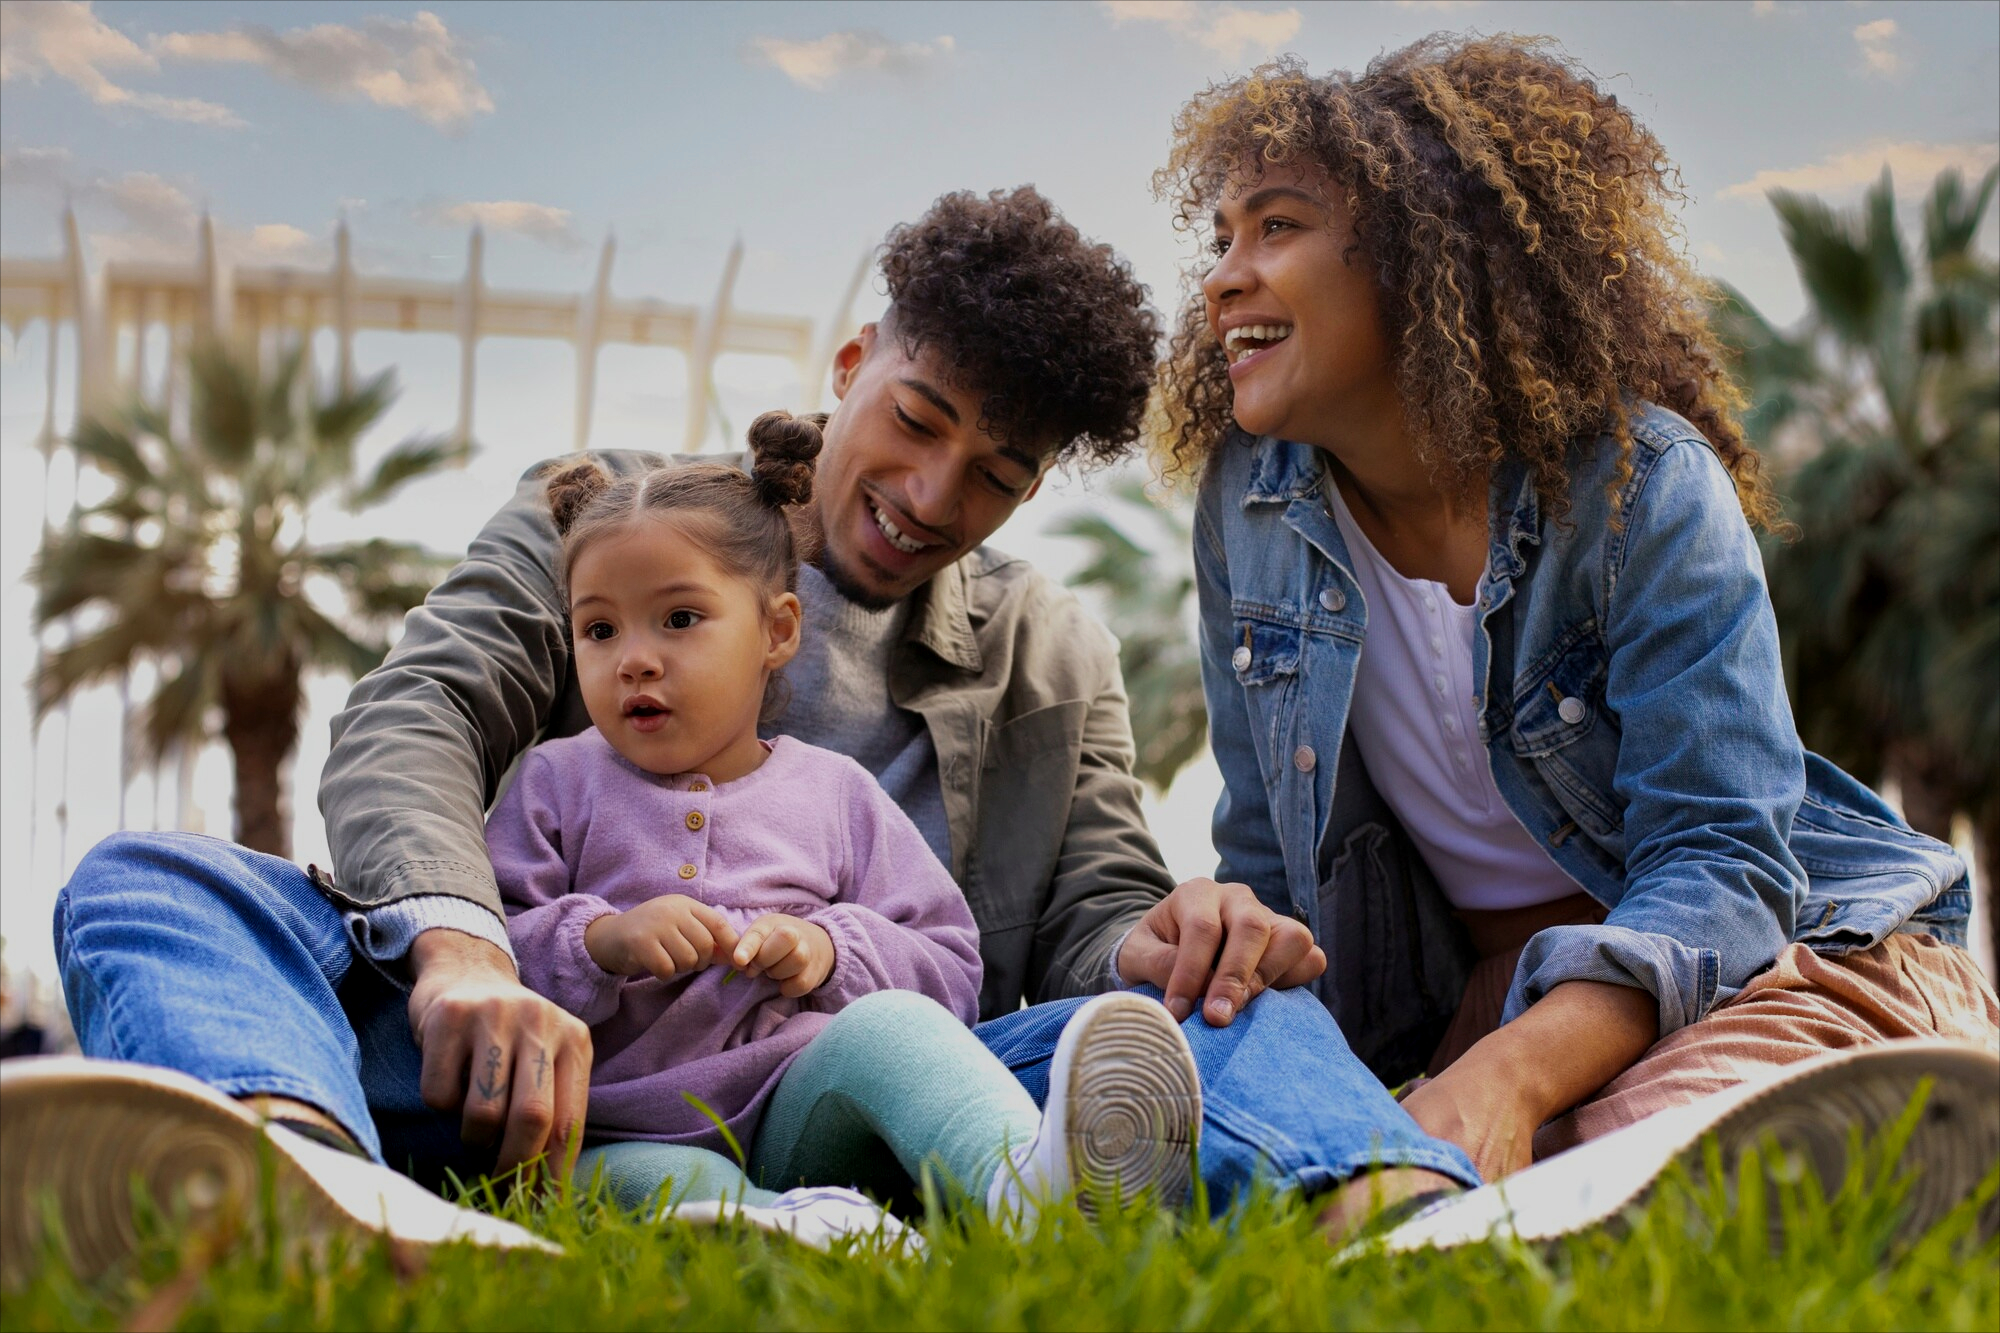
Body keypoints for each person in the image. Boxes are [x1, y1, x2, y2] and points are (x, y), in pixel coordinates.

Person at [13, 186, 1412, 1281]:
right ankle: (298, 1179)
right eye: (916, 422)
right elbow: (417, 716)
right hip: (540, 1074)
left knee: (1228, 1002)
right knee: (156, 880)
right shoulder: (612, 518)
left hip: (881, 1091)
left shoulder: (1050, 648)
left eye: (995, 476)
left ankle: (1400, 1213)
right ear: (852, 364)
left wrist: (1154, 945)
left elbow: (1085, 923)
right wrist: (461, 959)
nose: (931, 495)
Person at [1149, 36, 1999, 1242]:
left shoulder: (1641, 485)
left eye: (1274, 227)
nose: (1225, 278)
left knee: (1660, 1123)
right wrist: (1237, 941)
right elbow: (1271, 861)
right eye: (1222, 237)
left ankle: (1883, 1113)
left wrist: (1510, 1077)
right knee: (1345, 1147)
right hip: (1485, 1003)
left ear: (1418, 261)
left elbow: (1723, 862)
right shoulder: (1251, 505)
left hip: (1774, 961)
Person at [495, 416, 1198, 1234]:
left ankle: (1030, 1194)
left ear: (778, 630)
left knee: (891, 1030)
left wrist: (831, 951)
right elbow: (488, 939)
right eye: (600, 628)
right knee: (675, 1184)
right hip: (616, 1129)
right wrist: (599, 940)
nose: (635, 658)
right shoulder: (555, 781)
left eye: (680, 619)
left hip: (798, 1105)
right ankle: (812, 1232)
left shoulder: (836, 793)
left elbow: (949, 966)